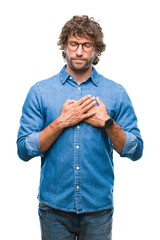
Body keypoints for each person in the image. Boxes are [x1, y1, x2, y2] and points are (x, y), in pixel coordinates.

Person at [17, 15, 143, 240]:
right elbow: (24, 150)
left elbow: (135, 150)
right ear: (64, 47)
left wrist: (107, 123)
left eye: (87, 45)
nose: (79, 51)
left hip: (98, 210)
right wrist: (61, 122)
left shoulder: (116, 93)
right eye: (73, 44)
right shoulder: (40, 92)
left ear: (96, 50)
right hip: (54, 209)